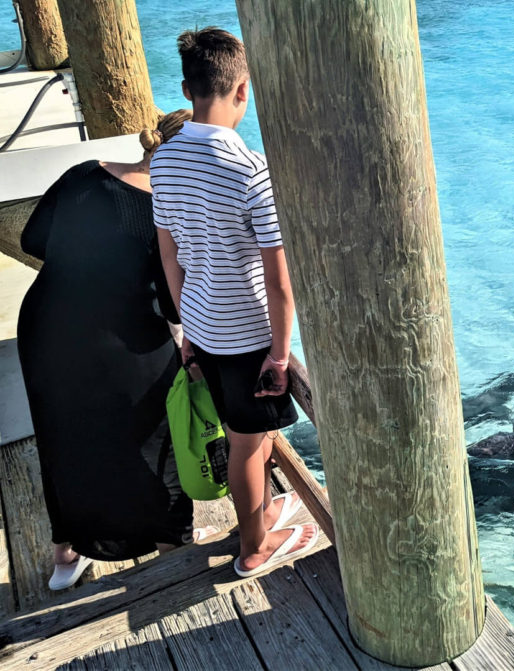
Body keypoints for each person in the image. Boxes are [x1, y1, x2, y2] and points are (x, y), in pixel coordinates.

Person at [17, 110, 217, 591]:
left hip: (45, 326)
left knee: (63, 433)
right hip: (123, 335)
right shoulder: (167, 209)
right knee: (158, 434)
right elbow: (172, 303)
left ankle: (67, 551)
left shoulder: (84, 171)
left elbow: (32, 239)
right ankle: (172, 541)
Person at [152, 27, 318, 578]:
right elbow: (279, 281)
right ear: (243, 89)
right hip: (247, 333)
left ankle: (262, 513)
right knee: (249, 443)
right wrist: (280, 351)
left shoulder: (165, 162)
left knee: (245, 433)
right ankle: (254, 548)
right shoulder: (251, 170)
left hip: (202, 322)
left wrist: (191, 327)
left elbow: (170, 256)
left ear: (186, 88)